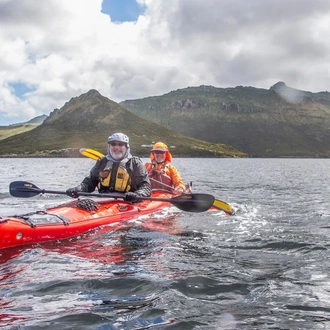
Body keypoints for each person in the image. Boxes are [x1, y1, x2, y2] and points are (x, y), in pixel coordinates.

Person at [66, 133, 151, 202]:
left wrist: (137, 195)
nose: (117, 147)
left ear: (126, 147)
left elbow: (145, 187)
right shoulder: (102, 162)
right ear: (109, 147)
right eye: (113, 144)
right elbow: (90, 183)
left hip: (127, 201)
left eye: (120, 144)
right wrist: (78, 189)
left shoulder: (135, 163)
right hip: (104, 199)